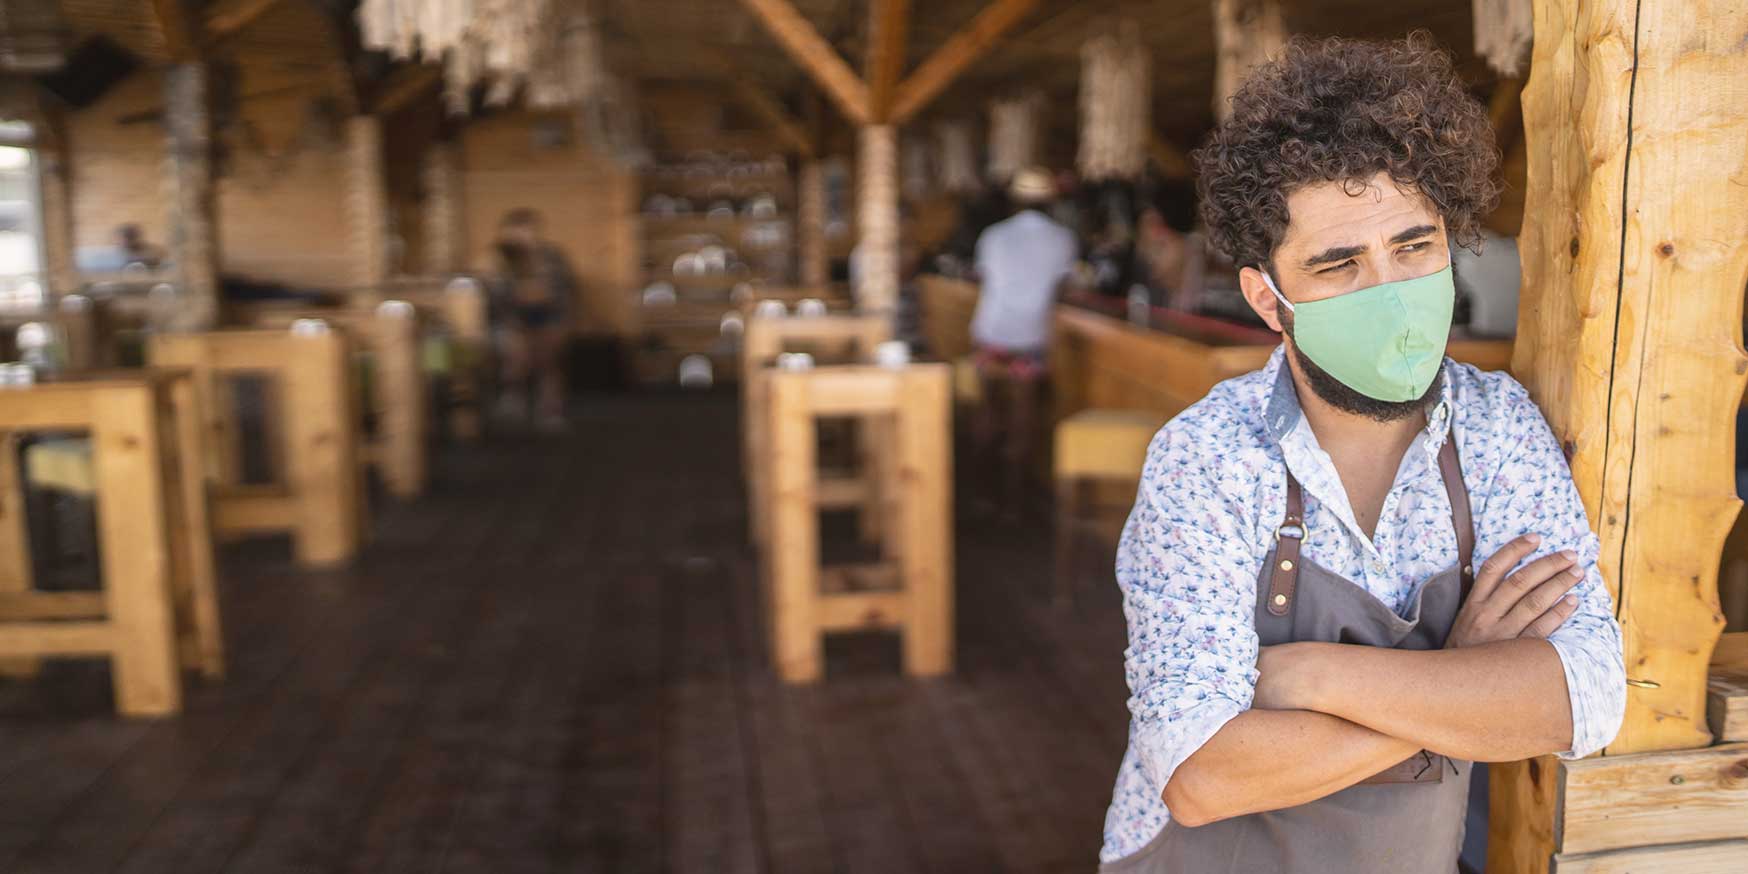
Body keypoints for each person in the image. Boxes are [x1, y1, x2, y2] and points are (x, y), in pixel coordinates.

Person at [1097, 35, 1625, 872]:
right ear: (1268, 299)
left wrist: (1301, 676)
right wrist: (1460, 681)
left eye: (1413, 247)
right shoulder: (1205, 459)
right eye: (1339, 264)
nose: (1390, 292)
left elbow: (1581, 700)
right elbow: (1200, 774)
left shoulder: (1497, 430)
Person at [969, 166, 1078, 517]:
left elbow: (984, 277)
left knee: (988, 415)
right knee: (1022, 421)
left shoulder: (993, 235)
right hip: (1031, 340)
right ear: (1051, 202)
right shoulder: (1063, 239)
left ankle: (981, 494)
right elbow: (1065, 290)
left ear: (1015, 201)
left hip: (991, 335)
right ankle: (1014, 505)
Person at [490, 208, 578, 431]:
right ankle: (512, 396)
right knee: (515, 349)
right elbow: (498, 300)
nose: (522, 236)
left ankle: (550, 409)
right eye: (516, 231)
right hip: (511, 321)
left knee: (548, 357)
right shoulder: (497, 261)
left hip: (550, 318)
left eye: (527, 230)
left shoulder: (552, 257)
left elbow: (562, 294)